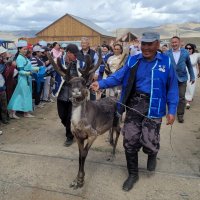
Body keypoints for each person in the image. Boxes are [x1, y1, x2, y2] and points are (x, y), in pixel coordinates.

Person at [90, 32, 179, 191]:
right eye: (144, 44)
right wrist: (101, 84)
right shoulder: (133, 60)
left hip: (155, 105)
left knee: (149, 141)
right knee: (129, 140)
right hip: (134, 104)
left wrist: (172, 109)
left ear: (157, 45)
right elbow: (118, 77)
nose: (146, 48)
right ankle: (133, 174)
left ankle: (152, 152)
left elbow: (172, 88)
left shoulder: (166, 62)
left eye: (150, 44)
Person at [165, 36, 195, 123]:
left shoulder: (185, 53)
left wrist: (192, 76)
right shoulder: (167, 53)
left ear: (179, 43)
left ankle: (180, 115)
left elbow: (189, 65)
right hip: (170, 79)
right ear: (171, 43)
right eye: (172, 42)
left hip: (182, 78)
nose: (174, 44)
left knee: (181, 97)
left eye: (176, 42)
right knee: (169, 96)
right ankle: (171, 113)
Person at [8, 40, 39, 118]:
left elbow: (29, 67)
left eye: (26, 49)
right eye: (24, 49)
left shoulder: (24, 57)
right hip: (23, 79)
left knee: (21, 95)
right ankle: (22, 113)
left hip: (26, 79)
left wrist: (38, 68)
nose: (26, 50)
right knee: (23, 95)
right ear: (19, 49)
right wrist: (29, 73)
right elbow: (20, 71)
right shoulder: (20, 58)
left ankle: (16, 112)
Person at [57, 44, 80, 147]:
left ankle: (69, 136)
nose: (69, 55)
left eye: (72, 53)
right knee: (62, 115)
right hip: (62, 93)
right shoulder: (60, 61)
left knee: (70, 117)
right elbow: (55, 73)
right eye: (69, 53)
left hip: (74, 94)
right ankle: (69, 127)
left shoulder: (80, 63)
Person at [184, 43, 200, 109]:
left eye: (190, 48)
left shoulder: (197, 55)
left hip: (193, 72)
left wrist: (199, 71)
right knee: (184, 86)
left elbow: (199, 63)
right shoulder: (183, 55)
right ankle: (186, 98)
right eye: (187, 48)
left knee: (191, 86)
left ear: (192, 49)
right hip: (184, 72)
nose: (188, 50)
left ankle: (188, 101)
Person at [0, 46, 9, 124]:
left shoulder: (4, 62)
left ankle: (4, 118)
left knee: (4, 103)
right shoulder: (2, 63)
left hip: (2, 87)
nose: (6, 54)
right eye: (4, 53)